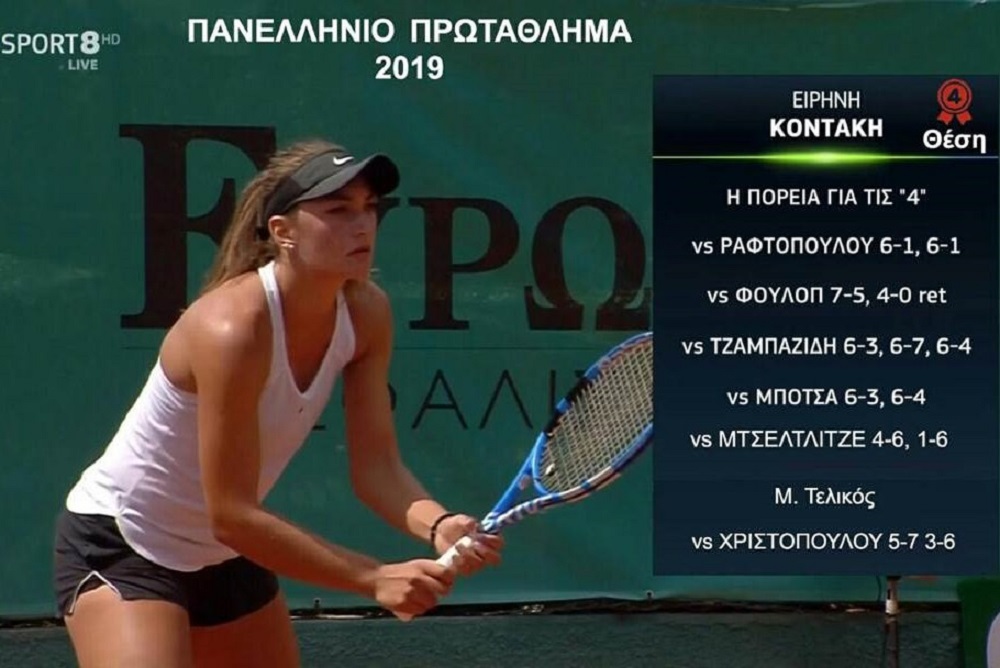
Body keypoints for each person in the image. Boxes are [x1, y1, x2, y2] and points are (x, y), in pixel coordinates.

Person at [52, 138, 504, 668]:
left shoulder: (366, 314)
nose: (362, 225)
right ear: (282, 231)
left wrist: (437, 523)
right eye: (338, 210)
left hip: (226, 556)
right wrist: (372, 577)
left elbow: (376, 467)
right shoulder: (232, 328)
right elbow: (232, 515)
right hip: (126, 542)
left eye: (369, 208)